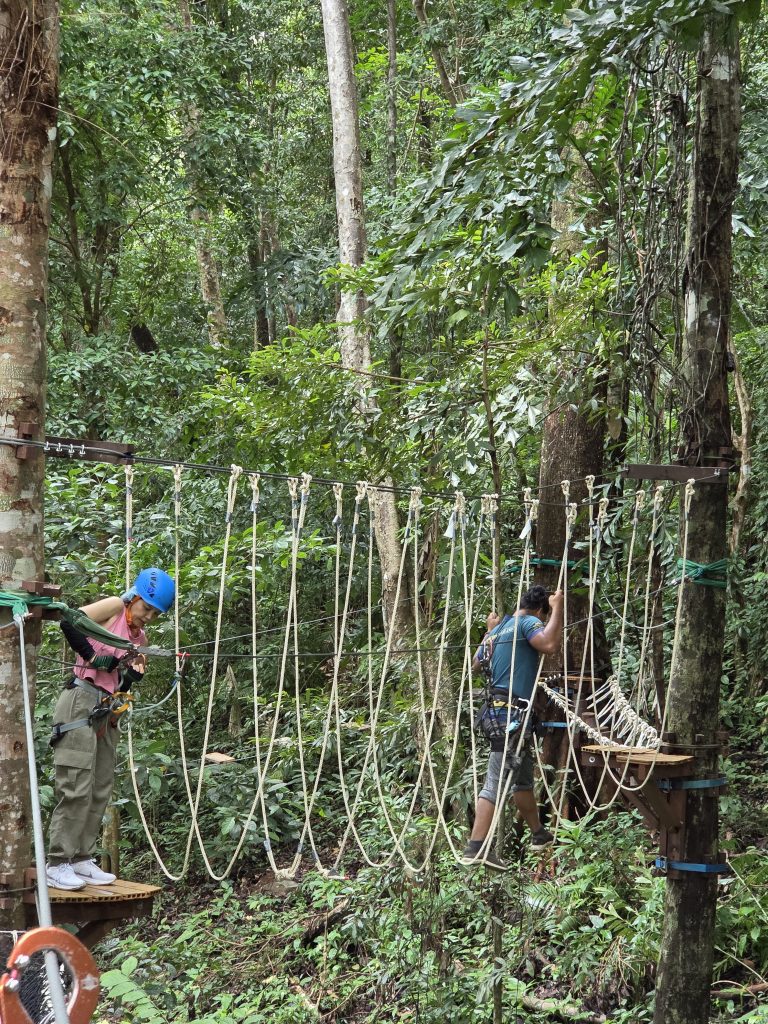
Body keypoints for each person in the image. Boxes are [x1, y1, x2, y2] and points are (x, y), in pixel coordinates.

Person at [46, 567, 175, 891]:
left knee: (100, 786)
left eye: (155, 613)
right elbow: (69, 620)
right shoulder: (116, 607)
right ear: (135, 598)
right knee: (75, 784)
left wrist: (132, 678)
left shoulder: (140, 640)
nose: (148, 616)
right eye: (146, 608)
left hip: (107, 709)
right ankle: (58, 862)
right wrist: (92, 656)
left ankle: (80, 858)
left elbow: (119, 681)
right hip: (80, 699)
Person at [460, 584, 564, 871]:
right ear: (539, 610)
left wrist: (488, 632)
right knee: (494, 781)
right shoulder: (528, 622)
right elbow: (548, 644)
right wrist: (558, 610)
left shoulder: (498, 630)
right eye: (544, 614)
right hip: (511, 715)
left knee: (521, 780)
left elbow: (475, 663)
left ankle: (538, 834)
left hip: (500, 714)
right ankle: (476, 848)